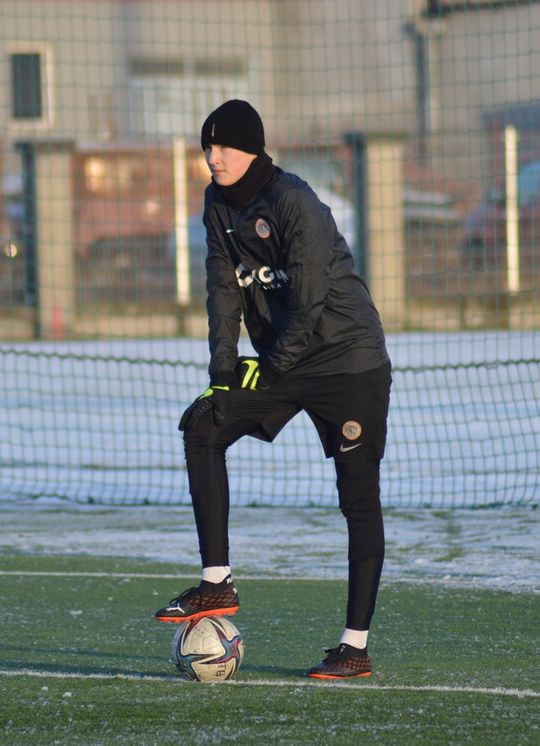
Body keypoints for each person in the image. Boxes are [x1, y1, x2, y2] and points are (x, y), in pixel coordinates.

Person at [154, 99, 392, 680]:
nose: (212, 159)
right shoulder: (216, 202)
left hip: (347, 363)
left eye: (224, 148)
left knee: (357, 501)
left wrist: (267, 370)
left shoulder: (295, 203)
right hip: (285, 360)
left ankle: (354, 647)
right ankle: (216, 584)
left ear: (253, 148)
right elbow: (222, 288)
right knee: (203, 425)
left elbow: (308, 305)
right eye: (206, 148)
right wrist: (223, 373)